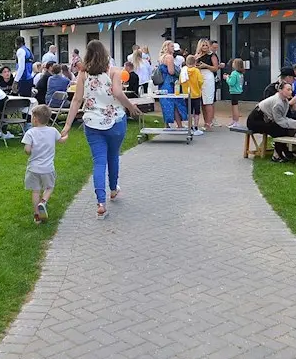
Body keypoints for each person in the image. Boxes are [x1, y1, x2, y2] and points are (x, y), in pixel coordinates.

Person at [60, 40, 142, 219]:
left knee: (99, 162)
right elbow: (118, 93)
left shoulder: (83, 74)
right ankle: (113, 189)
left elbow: (76, 100)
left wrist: (67, 125)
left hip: (92, 123)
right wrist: (131, 107)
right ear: (105, 54)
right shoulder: (114, 72)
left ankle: (100, 203)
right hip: (115, 121)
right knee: (113, 156)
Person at [245, 81, 296, 162]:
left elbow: (283, 118)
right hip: (255, 121)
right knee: (279, 130)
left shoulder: (284, 100)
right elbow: (280, 121)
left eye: (291, 90)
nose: (290, 92)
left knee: (282, 129)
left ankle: (286, 152)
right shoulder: (278, 103)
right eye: (288, 90)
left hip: (265, 119)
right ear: (280, 90)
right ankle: (277, 155)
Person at [23, 104, 64, 224]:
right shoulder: (53, 131)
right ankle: (43, 201)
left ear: (35, 119)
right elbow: (61, 140)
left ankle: (37, 215)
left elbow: (27, 150)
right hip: (48, 168)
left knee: (35, 191)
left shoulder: (30, 133)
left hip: (33, 168)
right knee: (49, 187)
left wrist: (29, 150)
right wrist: (66, 135)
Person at [155, 40, 188, 130]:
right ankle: (179, 125)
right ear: (167, 47)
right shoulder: (169, 57)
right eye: (172, 46)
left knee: (166, 103)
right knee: (175, 103)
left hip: (162, 83)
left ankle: (166, 124)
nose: (173, 48)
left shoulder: (161, 57)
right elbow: (171, 71)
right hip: (169, 82)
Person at [196, 39, 220, 130]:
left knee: (208, 100)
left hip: (208, 76)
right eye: (203, 45)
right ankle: (206, 122)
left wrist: (205, 66)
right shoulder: (197, 55)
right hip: (199, 76)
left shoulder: (212, 55)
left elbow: (215, 68)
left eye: (206, 45)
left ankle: (209, 123)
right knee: (202, 101)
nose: (205, 47)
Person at [181, 54, 205, 136]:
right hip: (196, 94)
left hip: (187, 95)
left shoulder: (183, 71)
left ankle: (190, 127)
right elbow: (201, 81)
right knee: (197, 112)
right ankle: (196, 127)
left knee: (189, 112)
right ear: (195, 62)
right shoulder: (196, 71)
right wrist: (199, 87)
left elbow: (181, 81)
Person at [225, 58, 245, 128]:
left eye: (233, 63)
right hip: (238, 91)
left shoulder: (234, 73)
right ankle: (234, 121)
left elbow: (231, 83)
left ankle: (236, 121)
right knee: (235, 106)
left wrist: (227, 78)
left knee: (234, 107)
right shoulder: (240, 73)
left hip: (234, 92)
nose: (232, 64)